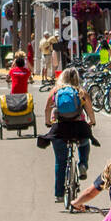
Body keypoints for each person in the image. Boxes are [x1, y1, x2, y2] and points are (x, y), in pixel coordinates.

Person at [38, 67, 97, 202]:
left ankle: (59, 194)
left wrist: (48, 122)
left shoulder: (56, 91)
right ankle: (82, 164)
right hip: (78, 127)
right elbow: (90, 111)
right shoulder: (81, 91)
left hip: (60, 128)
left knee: (60, 161)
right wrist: (91, 122)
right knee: (84, 142)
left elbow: (47, 108)